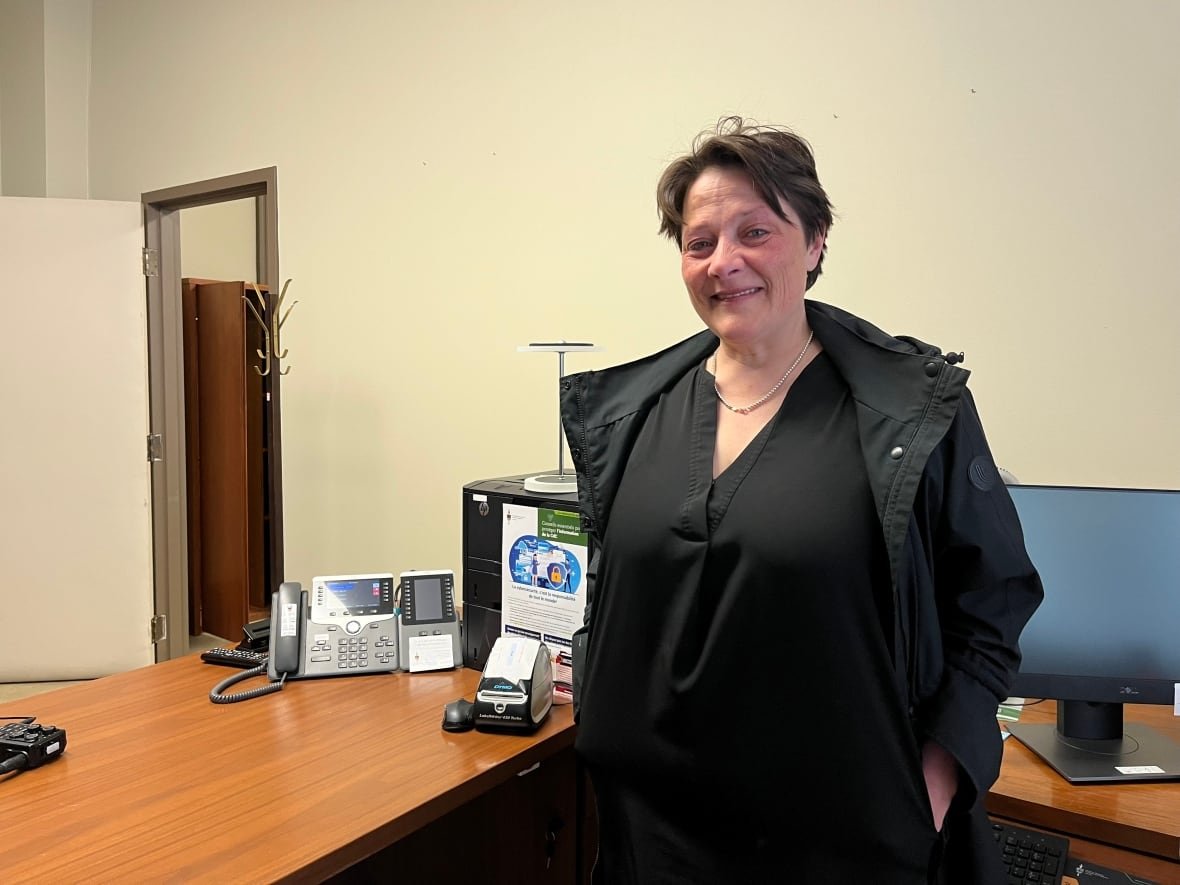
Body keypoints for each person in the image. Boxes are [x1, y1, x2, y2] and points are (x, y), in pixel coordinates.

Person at [558, 117, 1043, 883]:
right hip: (653, 845)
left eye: (756, 231)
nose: (725, 262)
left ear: (815, 241)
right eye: (699, 241)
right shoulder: (632, 415)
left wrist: (935, 785)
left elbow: (992, 606)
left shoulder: (912, 411)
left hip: (843, 849)